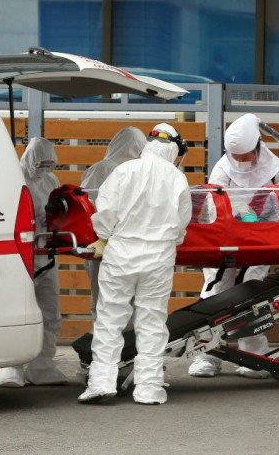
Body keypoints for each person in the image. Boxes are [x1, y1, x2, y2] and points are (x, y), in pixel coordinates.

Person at [78, 124, 191, 405]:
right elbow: (181, 225)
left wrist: (107, 235)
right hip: (159, 258)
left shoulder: (123, 171)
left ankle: (101, 383)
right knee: (152, 321)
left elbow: (103, 213)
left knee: (109, 320)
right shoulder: (177, 179)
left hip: (120, 255)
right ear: (173, 149)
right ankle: (149, 388)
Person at [188, 113, 279, 379]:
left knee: (252, 294)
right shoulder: (223, 168)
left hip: (262, 239)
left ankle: (254, 356)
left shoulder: (276, 168)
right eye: (237, 157)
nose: (241, 161)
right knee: (214, 292)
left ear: (259, 146)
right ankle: (208, 357)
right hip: (224, 239)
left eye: (246, 156)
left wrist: (262, 221)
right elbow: (213, 201)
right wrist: (240, 210)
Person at [0, 136, 68, 387]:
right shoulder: (14, 179)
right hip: (20, 258)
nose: (44, 168)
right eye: (41, 163)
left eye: (49, 163)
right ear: (30, 159)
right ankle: (10, 367)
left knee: (50, 313)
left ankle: (42, 366)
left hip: (46, 255)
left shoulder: (51, 180)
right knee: (16, 313)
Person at [81, 126, 147, 318]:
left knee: (131, 304)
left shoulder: (138, 171)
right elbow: (89, 206)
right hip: (106, 246)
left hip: (130, 248)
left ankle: (128, 347)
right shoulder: (102, 169)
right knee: (105, 302)